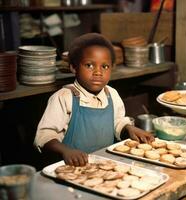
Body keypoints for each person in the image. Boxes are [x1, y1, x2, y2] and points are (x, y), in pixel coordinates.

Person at [34, 33, 154, 166]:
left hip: (105, 165)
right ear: (74, 67)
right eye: (89, 65)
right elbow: (44, 136)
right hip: (72, 167)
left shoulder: (111, 94)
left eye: (105, 66)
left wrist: (129, 128)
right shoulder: (64, 97)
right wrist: (66, 151)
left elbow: (117, 122)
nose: (98, 72)